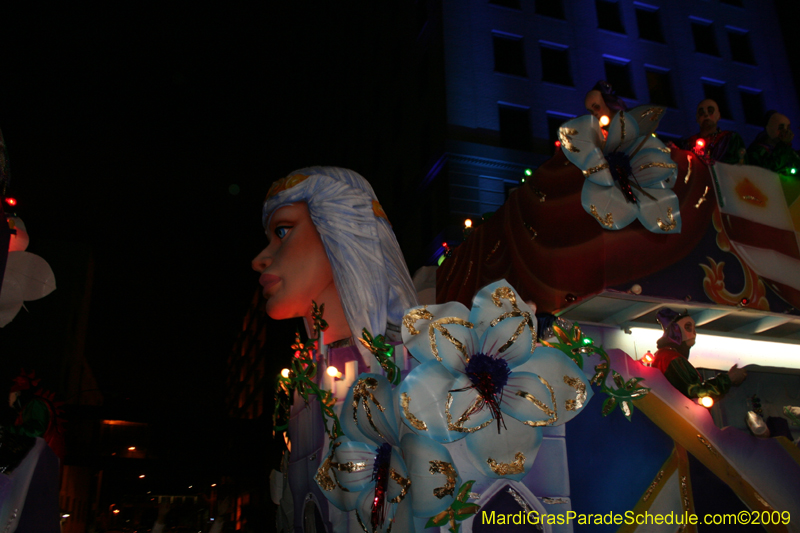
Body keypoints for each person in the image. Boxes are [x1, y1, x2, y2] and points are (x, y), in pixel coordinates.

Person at [251, 167, 418, 532]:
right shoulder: (304, 378)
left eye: (282, 231)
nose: (260, 259)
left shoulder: (414, 370)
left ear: (342, 226)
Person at [651, 308, 747, 399]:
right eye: (688, 327)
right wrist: (727, 379)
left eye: (694, 328)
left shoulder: (666, 356)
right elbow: (695, 393)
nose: (694, 333)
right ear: (675, 330)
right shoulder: (671, 358)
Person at [680, 99, 745, 164]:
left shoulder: (730, 139)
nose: (706, 114)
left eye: (710, 111)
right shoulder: (688, 144)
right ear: (697, 118)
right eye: (701, 112)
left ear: (718, 116)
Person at [746, 110, 800, 174]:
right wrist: (784, 144)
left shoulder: (788, 151)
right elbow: (770, 168)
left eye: (788, 128)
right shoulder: (756, 151)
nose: (785, 132)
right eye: (781, 128)